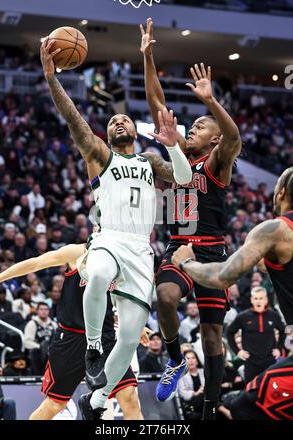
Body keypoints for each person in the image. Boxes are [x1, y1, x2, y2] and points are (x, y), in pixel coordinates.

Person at [40, 36, 192, 420]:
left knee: (127, 338)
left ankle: (101, 391)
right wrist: (51, 78)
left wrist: (174, 144)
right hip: (108, 239)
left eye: (124, 118)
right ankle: (93, 346)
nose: (120, 120)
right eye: (112, 121)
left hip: (142, 249)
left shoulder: (149, 160)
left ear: (133, 130)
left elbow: (184, 177)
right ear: (106, 136)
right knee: (98, 276)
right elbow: (74, 117)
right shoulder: (99, 155)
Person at [141, 18, 242, 419]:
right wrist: (148, 57)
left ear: (214, 138)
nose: (194, 127)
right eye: (194, 124)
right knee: (164, 297)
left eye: (201, 125)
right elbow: (156, 104)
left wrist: (212, 102)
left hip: (214, 252)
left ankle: (211, 405)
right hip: (181, 245)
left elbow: (233, 139)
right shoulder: (179, 156)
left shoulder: (218, 161)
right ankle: (173, 358)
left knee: (212, 335)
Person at [171, 167, 293, 418]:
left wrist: (186, 263)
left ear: (280, 194)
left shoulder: (275, 230)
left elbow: (222, 276)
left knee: (235, 410)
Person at [0, 243, 149, 420]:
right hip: (72, 339)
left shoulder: (121, 259)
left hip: (105, 339)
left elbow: (121, 298)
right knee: (54, 405)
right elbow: (36, 263)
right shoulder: (79, 252)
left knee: (129, 398)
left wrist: (135, 323)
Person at [226, 286, 285, 383]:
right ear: (251, 300)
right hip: (251, 362)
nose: (258, 301)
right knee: (251, 391)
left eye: (261, 298)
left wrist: (279, 348)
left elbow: (283, 331)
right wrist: (237, 351)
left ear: (266, 299)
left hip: (270, 361)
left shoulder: (274, 315)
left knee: (270, 389)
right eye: (256, 298)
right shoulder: (243, 316)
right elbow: (229, 333)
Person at [24, 302, 57, 375]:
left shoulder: (53, 324)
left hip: (51, 351)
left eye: (46, 309)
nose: (44, 311)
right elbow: (27, 342)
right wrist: (41, 347)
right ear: (37, 311)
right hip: (37, 352)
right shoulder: (32, 324)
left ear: (49, 311)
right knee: (35, 351)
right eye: (41, 309)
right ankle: (38, 376)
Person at [178, 350, 205, 420]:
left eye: (193, 358)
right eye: (188, 358)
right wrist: (196, 393)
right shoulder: (181, 375)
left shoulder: (203, 372)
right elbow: (183, 393)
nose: (191, 361)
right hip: (191, 402)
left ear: (197, 360)